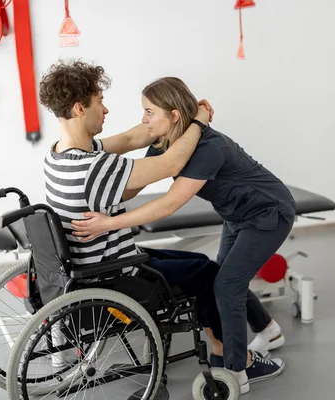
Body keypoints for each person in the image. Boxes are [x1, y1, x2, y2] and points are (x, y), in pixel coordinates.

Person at [71, 76, 296, 393]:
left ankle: (238, 369)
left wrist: (107, 224)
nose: (144, 119)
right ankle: (268, 330)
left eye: (149, 112)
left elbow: (170, 203)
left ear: (174, 115)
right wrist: (91, 173)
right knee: (224, 276)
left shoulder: (208, 149)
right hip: (236, 214)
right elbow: (134, 181)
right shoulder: (165, 143)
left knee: (227, 285)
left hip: (268, 214)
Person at [38, 59, 229, 366]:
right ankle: (227, 354)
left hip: (93, 266)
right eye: (100, 102)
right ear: (79, 109)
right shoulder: (94, 167)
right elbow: (172, 165)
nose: (106, 110)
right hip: (114, 276)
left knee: (197, 261)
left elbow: (129, 140)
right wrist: (198, 122)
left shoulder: (57, 155)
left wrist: (164, 120)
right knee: (207, 272)